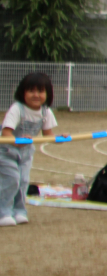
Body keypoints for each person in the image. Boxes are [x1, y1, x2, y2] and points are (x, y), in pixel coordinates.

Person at [0, 72, 56, 227]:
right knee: (11, 179)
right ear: (22, 92)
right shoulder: (17, 109)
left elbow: (48, 135)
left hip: (25, 153)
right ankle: (3, 212)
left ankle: (19, 211)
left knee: (23, 181)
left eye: (40, 91)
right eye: (31, 91)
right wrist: (18, 141)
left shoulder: (46, 112)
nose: (36, 95)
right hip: (6, 152)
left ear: (48, 93)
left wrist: (60, 138)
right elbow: (6, 134)